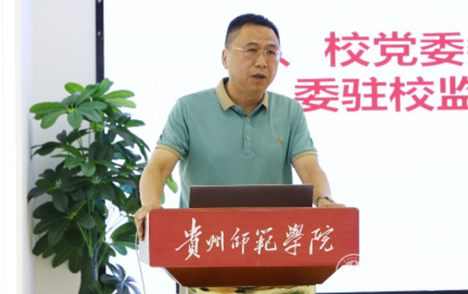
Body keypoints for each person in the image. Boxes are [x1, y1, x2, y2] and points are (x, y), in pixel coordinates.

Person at [135, 14, 344, 240]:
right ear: (225, 58)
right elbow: (158, 167)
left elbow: (310, 167)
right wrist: (151, 205)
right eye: (251, 50)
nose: (262, 62)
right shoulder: (188, 108)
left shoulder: (290, 111)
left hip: (273, 242)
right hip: (203, 242)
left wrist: (324, 199)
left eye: (271, 52)